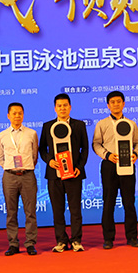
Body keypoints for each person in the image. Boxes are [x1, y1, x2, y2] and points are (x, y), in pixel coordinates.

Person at [92, 91, 138, 249]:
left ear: (123, 104)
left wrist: (135, 154)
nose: (116, 104)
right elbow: (96, 144)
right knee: (108, 202)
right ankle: (108, 238)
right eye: (112, 102)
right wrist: (107, 155)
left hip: (128, 165)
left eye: (118, 101)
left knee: (129, 202)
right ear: (108, 105)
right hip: (109, 165)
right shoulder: (102, 124)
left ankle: (132, 237)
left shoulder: (131, 124)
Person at [39, 94, 89, 252]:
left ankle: (76, 240)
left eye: (65, 105)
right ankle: (61, 240)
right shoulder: (47, 126)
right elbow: (42, 148)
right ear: (55, 108)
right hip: (54, 175)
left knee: (75, 209)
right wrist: (49, 161)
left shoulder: (79, 125)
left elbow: (85, 148)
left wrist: (79, 167)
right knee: (57, 210)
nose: (62, 108)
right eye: (59, 106)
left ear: (70, 107)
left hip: (74, 174)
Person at [0, 102, 39, 256]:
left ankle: (30, 243)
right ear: (8, 116)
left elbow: (34, 156)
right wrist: (10, 168)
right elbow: (0, 158)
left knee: (30, 211)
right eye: (14, 113)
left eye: (20, 113)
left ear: (23, 115)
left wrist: (25, 167)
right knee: (11, 212)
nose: (17, 116)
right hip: (10, 176)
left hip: (27, 175)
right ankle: (13, 243)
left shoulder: (31, 133)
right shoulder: (2, 135)